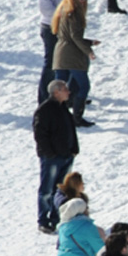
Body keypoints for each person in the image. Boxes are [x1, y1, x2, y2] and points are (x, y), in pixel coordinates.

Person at [33, 81, 78, 234]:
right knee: (46, 190)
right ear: (56, 92)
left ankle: (55, 218)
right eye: (65, 89)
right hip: (52, 158)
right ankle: (43, 220)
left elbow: (71, 130)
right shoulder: (45, 110)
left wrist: (74, 150)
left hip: (66, 156)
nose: (68, 92)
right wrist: (50, 153)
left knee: (60, 190)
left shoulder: (63, 108)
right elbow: (40, 135)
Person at [51, 0, 98, 128]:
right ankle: (77, 118)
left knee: (59, 87)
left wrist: (89, 42)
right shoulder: (74, 13)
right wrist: (88, 50)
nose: (83, 0)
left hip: (60, 53)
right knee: (83, 86)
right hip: (71, 55)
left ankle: (55, 115)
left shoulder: (63, 11)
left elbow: (68, 36)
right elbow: (75, 37)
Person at [36, 0, 72, 105]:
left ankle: (65, 96)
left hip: (65, 27)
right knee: (51, 64)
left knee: (66, 62)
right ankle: (44, 99)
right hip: (52, 28)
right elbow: (45, 8)